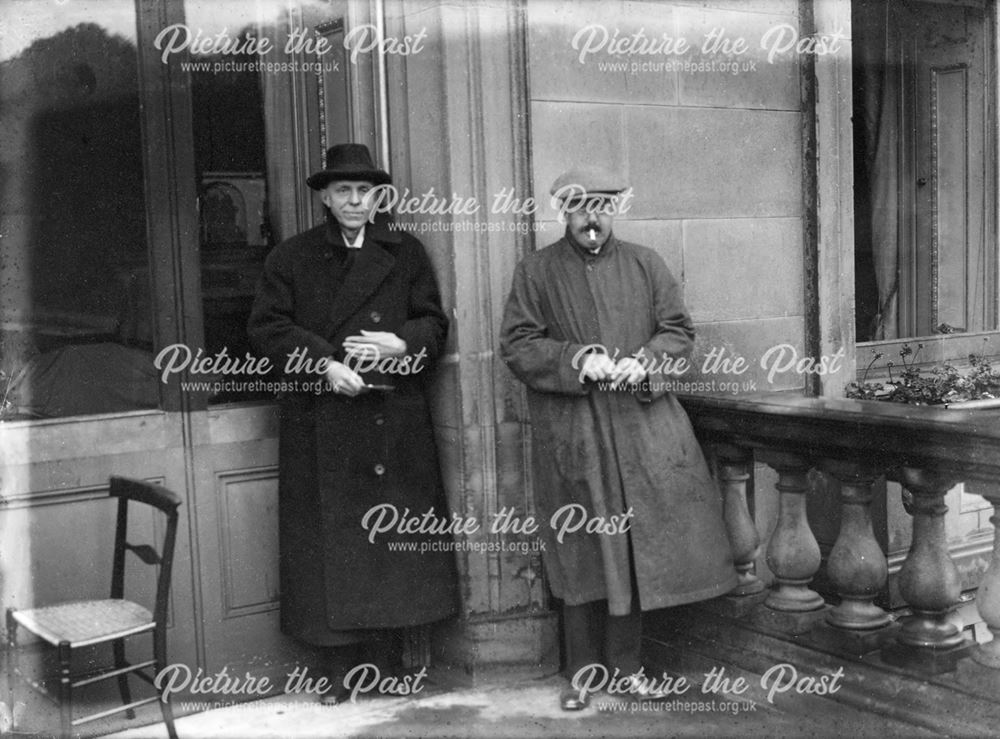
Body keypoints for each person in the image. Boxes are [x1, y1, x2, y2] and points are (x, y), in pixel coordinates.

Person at [499, 166, 737, 710]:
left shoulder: (645, 263)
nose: (593, 218)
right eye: (581, 207)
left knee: (631, 550)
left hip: (641, 429)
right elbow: (516, 344)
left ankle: (627, 670)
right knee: (581, 550)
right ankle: (582, 675)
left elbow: (679, 330)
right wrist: (578, 358)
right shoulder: (535, 272)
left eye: (603, 206)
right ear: (563, 211)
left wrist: (644, 362)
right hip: (575, 431)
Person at [247, 143, 458, 703]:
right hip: (323, 421)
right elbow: (267, 329)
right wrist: (324, 365)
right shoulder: (290, 258)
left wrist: (402, 341)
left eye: (364, 191)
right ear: (324, 196)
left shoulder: (405, 252)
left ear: (377, 196)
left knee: (386, 543)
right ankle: (339, 676)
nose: (355, 200)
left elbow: (434, 326)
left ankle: (385, 668)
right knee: (329, 546)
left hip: (393, 421)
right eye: (343, 190)